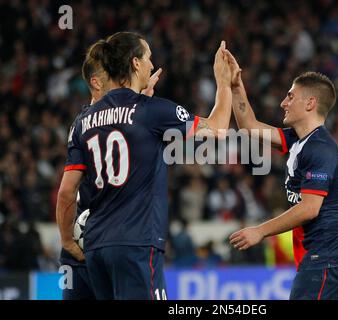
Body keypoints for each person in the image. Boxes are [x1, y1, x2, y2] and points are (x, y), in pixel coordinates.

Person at [56, 31, 232, 300]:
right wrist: (223, 82)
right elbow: (218, 127)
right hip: (136, 242)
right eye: (148, 57)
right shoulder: (152, 110)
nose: (152, 64)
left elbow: (67, 192)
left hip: (95, 248)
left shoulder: (83, 121)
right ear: (136, 63)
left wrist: (68, 240)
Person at [227, 50, 338, 300]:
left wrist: (260, 231)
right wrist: (235, 86)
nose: (283, 103)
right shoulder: (299, 140)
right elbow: (248, 126)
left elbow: (310, 208)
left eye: (290, 96)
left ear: (310, 103)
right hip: (329, 257)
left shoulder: (320, 149)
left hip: (328, 258)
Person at [58, 41, 161, 300]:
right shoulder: (87, 122)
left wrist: (140, 103)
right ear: (96, 83)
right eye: (114, 77)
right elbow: (66, 191)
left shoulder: (87, 122)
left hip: (93, 242)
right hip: (95, 242)